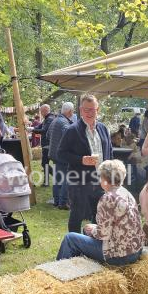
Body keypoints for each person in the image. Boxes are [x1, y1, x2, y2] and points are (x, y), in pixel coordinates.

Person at [56, 160, 144, 266]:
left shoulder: (108, 198)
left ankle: (60, 270)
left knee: (70, 238)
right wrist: (93, 229)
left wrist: (93, 230)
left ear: (105, 179)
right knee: (86, 230)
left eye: (100, 177)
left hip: (119, 255)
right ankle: (79, 266)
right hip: (135, 250)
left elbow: (103, 234)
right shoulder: (126, 193)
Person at [57, 93, 112, 233]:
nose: (89, 113)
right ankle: (73, 243)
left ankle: (95, 241)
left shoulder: (103, 128)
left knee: (99, 215)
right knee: (77, 215)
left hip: (100, 180)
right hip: (79, 181)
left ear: (97, 110)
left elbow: (109, 152)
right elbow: (61, 154)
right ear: (81, 110)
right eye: (86, 109)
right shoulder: (72, 130)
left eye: (92, 109)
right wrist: (81, 159)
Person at [48, 101, 76, 210]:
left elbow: (48, 135)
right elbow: (69, 138)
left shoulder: (55, 120)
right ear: (70, 111)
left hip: (54, 154)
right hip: (62, 155)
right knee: (67, 178)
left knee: (58, 178)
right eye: (72, 111)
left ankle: (56, 201)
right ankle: (63, 202)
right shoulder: (64, 122)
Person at [32, 104, 56, 187]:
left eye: (41, 111)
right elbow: (39, 126)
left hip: (48, 144)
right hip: (47, 144)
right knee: (45, 163)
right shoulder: (47, 118)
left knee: (45, 163)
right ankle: (47, 181)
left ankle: (56, 177)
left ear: (45, 110)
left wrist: (33, 130)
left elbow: (44, 130)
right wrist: (32, 128)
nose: (41, 113)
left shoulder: (50, 119)